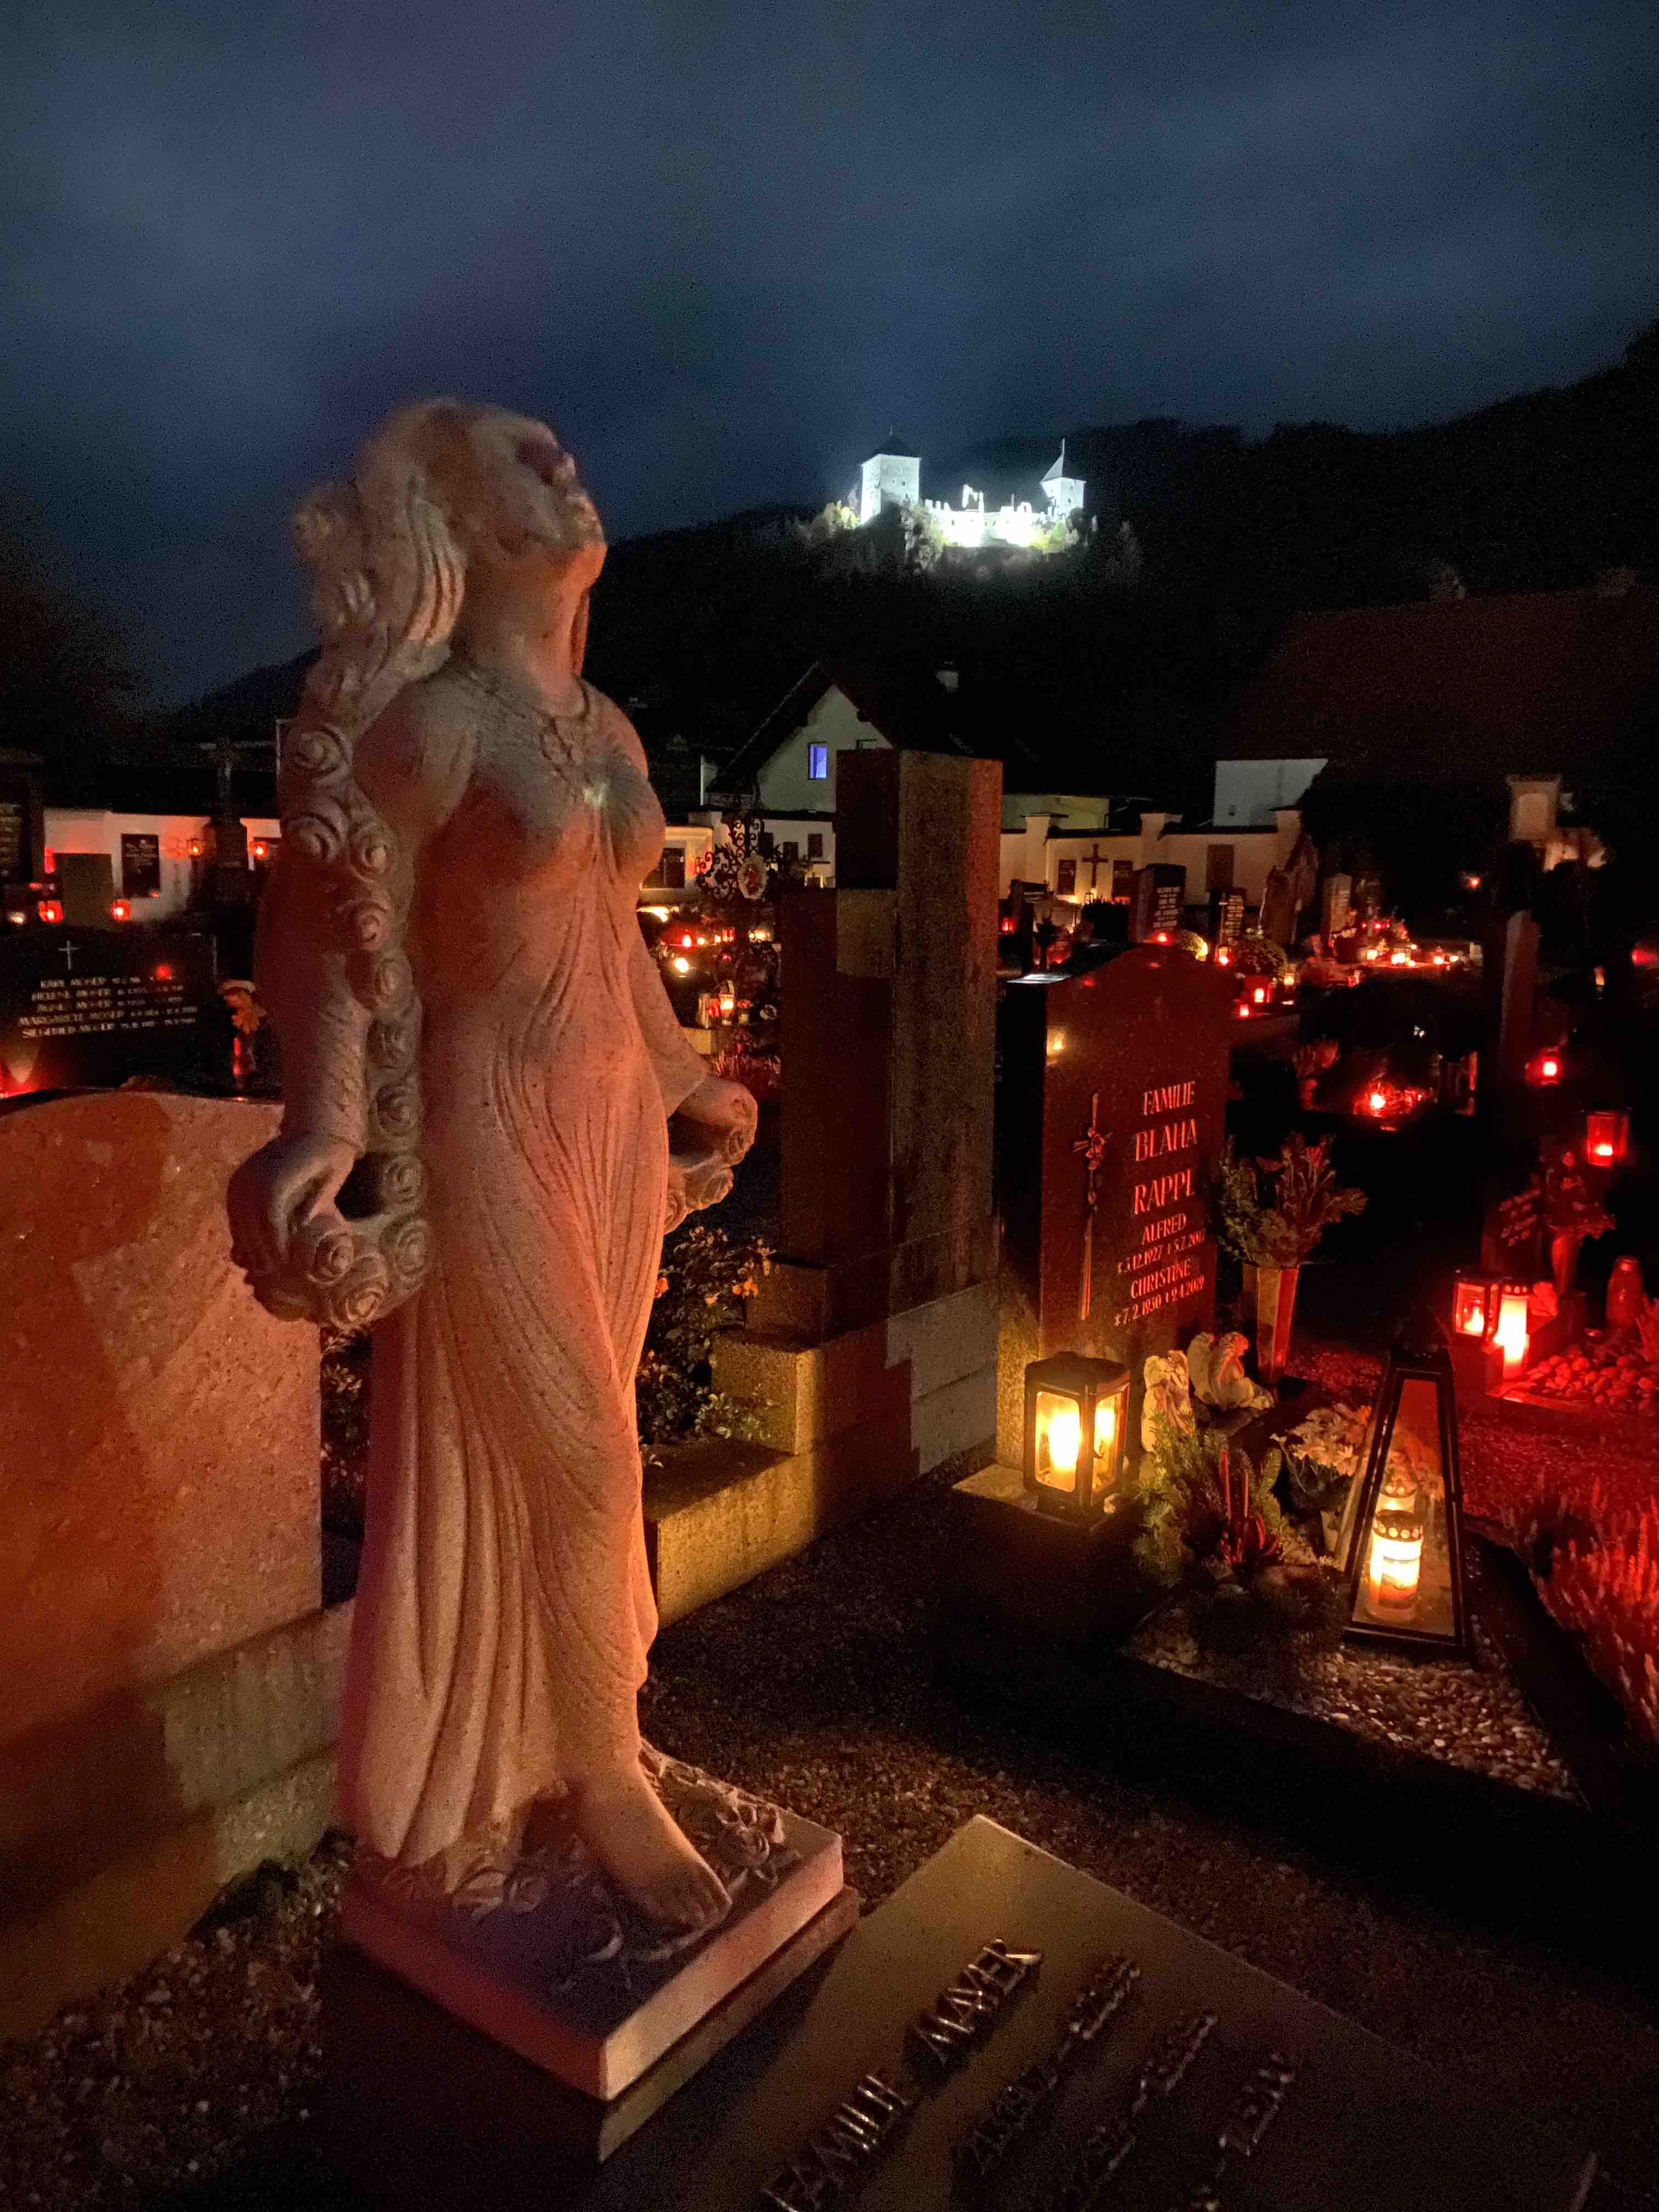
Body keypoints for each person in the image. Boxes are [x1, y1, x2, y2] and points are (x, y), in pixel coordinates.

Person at [228, 401, 754, 1930]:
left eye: (568, 452)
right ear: (457, 523)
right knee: (584, 1455)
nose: (569, 467)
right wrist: (327, 1125)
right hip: (490, 1124)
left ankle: (549, 1741)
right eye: (527, 459)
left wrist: (687, 1076)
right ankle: (605, 1774)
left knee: (576, 1459)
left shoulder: (611, 734)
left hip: (608, 1138)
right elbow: (324, 919)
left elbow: (615, 935)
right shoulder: (434, 726)